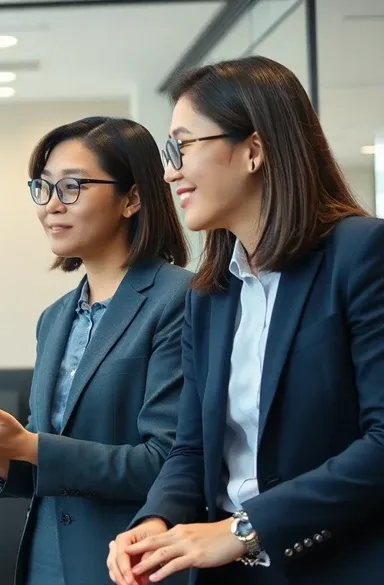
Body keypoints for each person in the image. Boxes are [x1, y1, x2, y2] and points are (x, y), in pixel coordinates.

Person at [106, 56, 384, 585]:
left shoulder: (361, 253)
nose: (169, 171)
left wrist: (245, 529)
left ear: (253, 150)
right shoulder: (208, 295)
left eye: (182, 147)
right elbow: (193, 447)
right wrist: (155, 520)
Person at [0, 116, 192, 585]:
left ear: (133, 197)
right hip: (46, 562)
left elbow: (167, 462)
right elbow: (45, 464)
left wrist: (28, 445)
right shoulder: (54, 318)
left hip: (131, 562)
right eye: (43, 187)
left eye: (72, 186)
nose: (51, 205)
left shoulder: (179, 298)